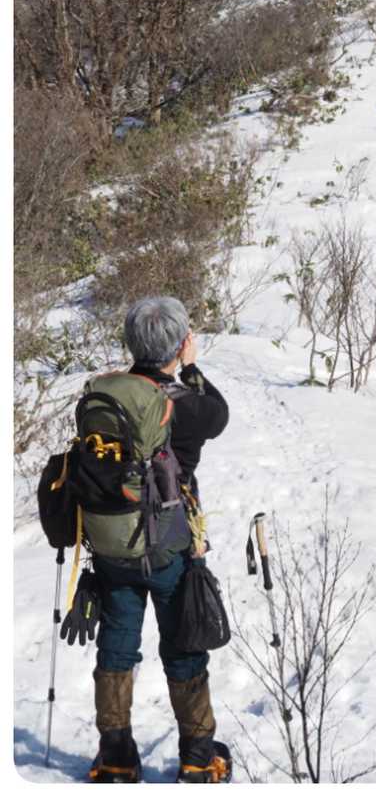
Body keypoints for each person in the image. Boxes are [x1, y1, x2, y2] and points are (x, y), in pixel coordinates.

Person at [90, 296, 230, 782]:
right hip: (169, 544)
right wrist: (190, 368)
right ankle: (197, 758)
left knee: (116, 645)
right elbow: (219, 413)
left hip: (112, 544)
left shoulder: (105, 395)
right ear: (180, 344)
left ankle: (115, 758)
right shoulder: (186, 405)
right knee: (184, 646)